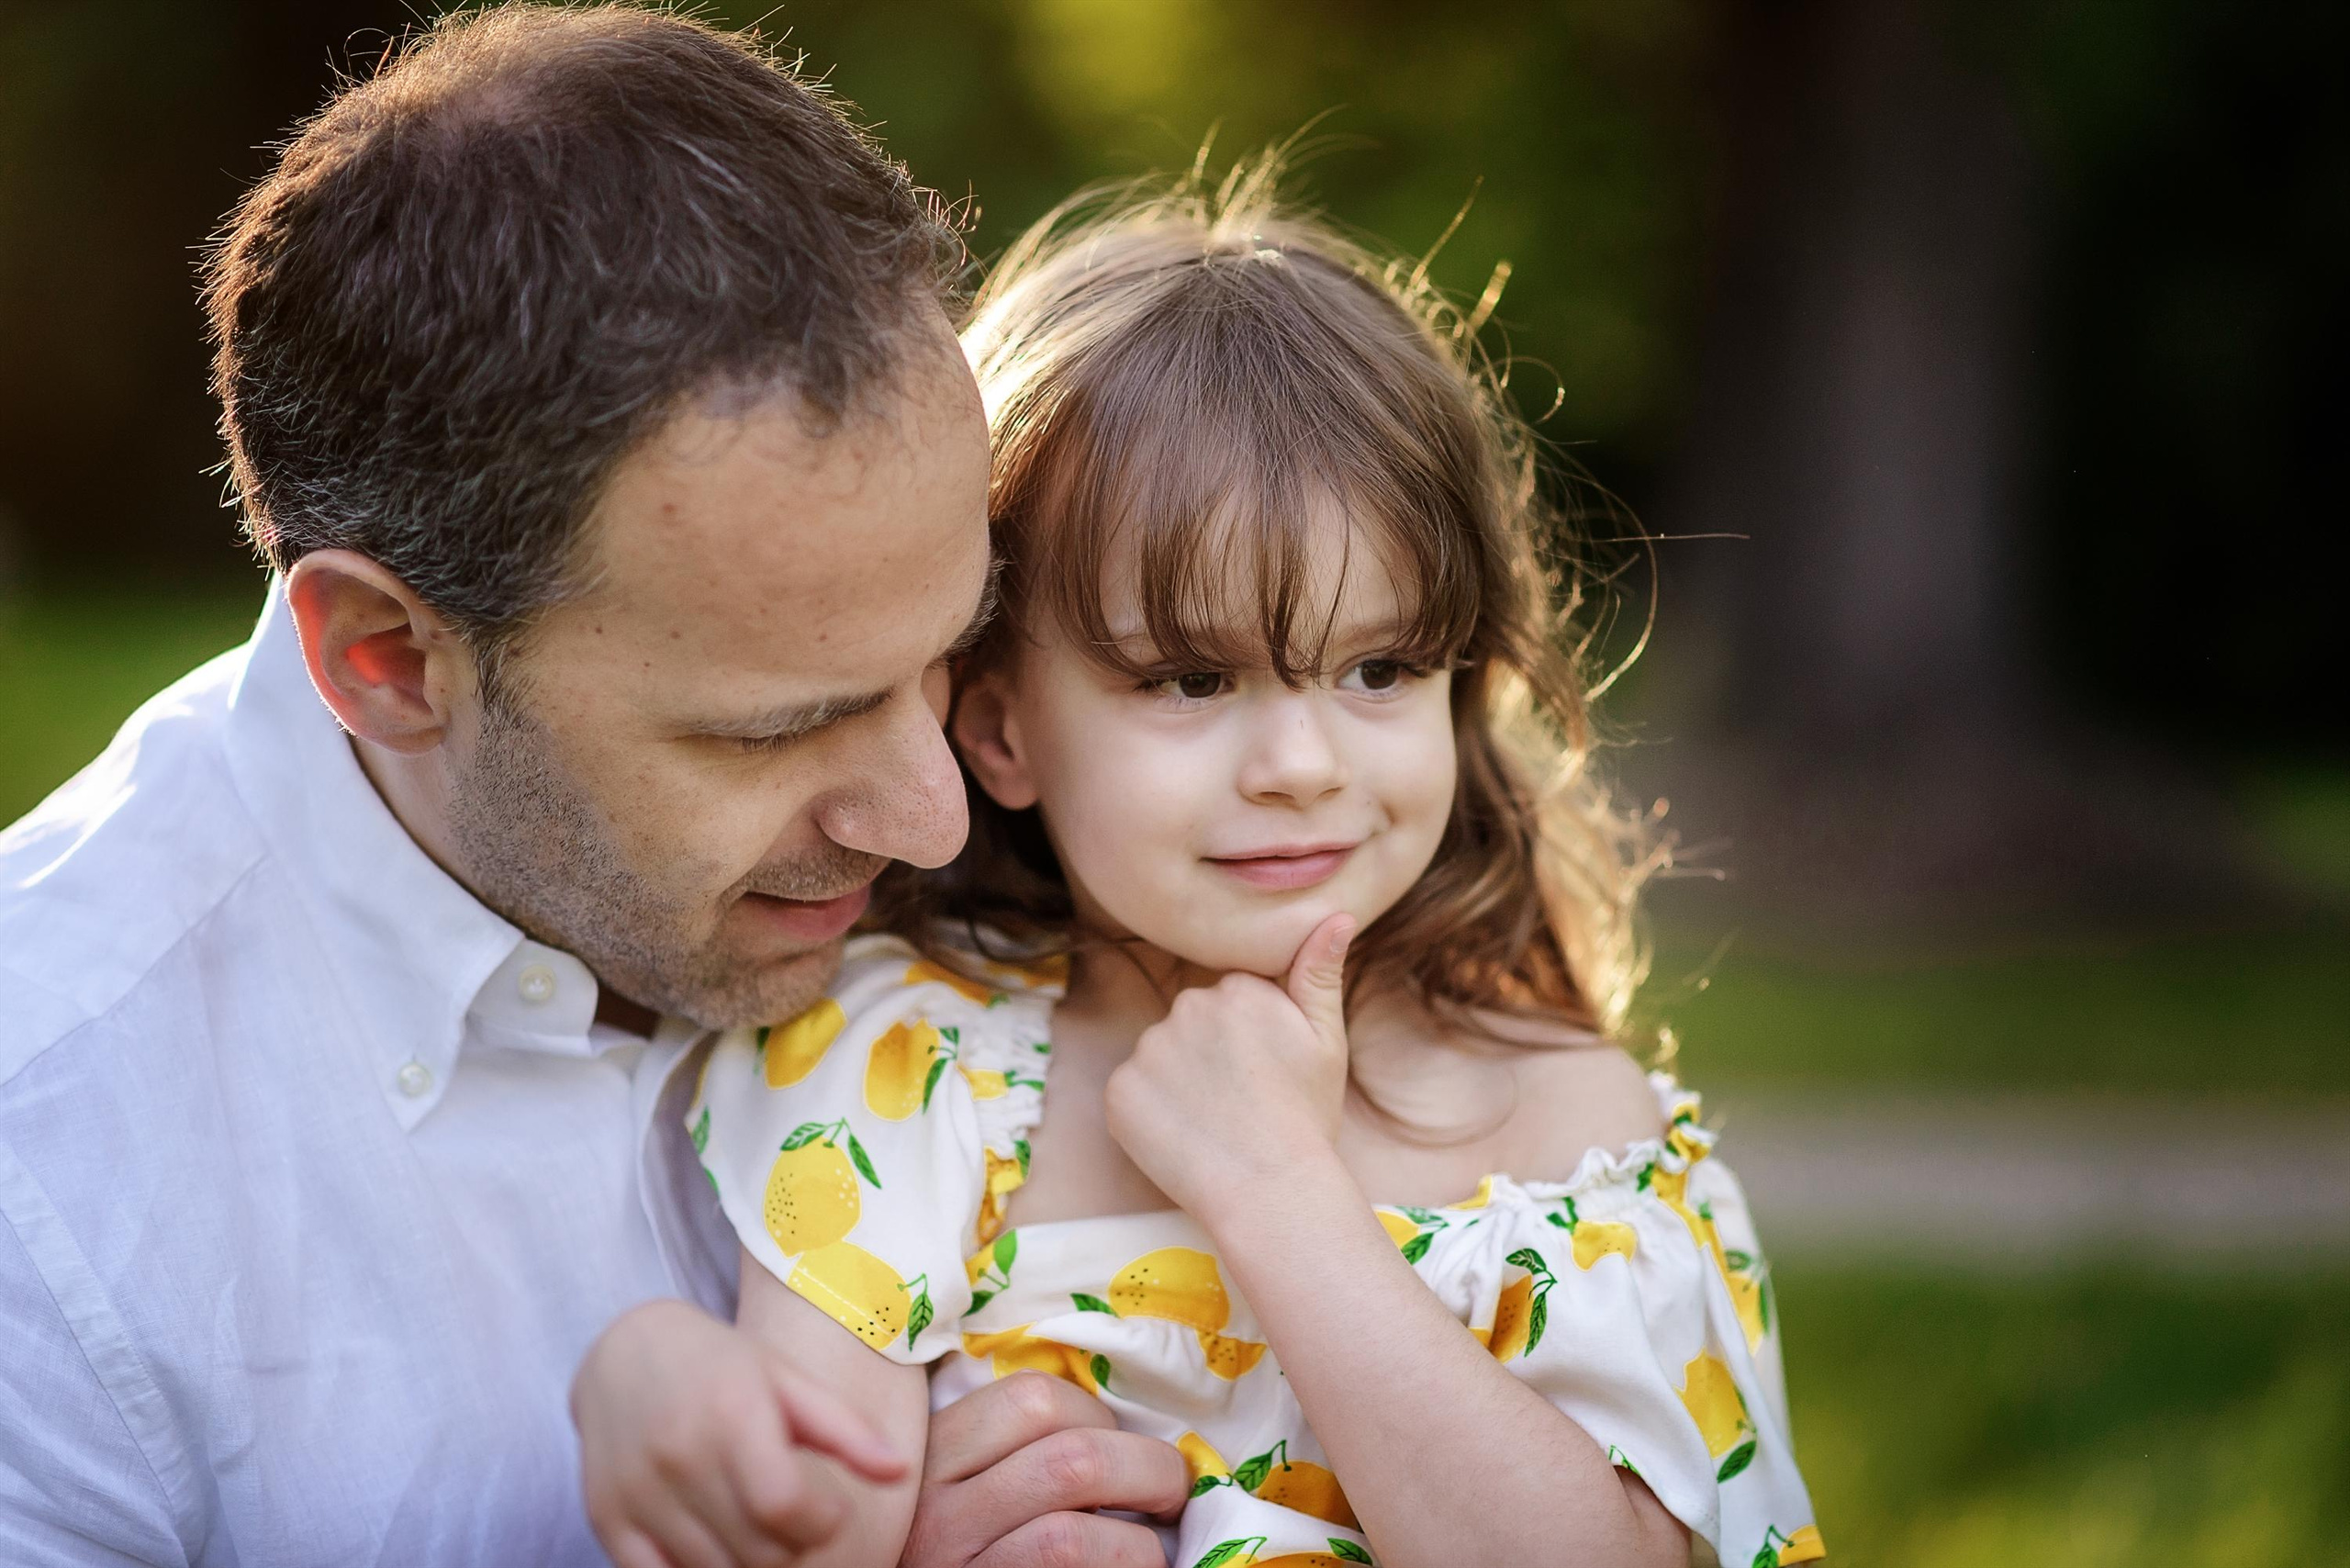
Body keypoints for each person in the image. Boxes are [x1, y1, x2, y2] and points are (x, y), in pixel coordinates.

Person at [0, 6, 1192, 1562]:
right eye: (776, 729)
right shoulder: (54, 1184)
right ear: (385, 659)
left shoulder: (1112, 850)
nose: (938, 819)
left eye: (950, 658)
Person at [574, 169, 1830, 1567]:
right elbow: (814, 1516)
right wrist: (652, 1378)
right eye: (1187, 678)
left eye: (1379, 666)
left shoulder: (1551, 1126)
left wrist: (1278, 1192)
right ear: (999, 729)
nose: (1301, 762)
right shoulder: (907, 1076)